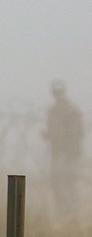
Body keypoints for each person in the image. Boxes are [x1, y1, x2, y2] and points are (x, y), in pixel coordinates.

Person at [42, 79, 85, 219]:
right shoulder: (53, 111)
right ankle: (61, 210)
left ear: (64, 93)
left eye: (60, 92)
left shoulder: (72, 111)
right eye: (56, 93)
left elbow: (78, 132)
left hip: (69, 154)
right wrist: (48, 135)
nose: (58, 95)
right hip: (57, 152)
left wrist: (67, 145)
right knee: (56, 181)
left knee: (69, 182)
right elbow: (52, 130)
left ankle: (71, 212)